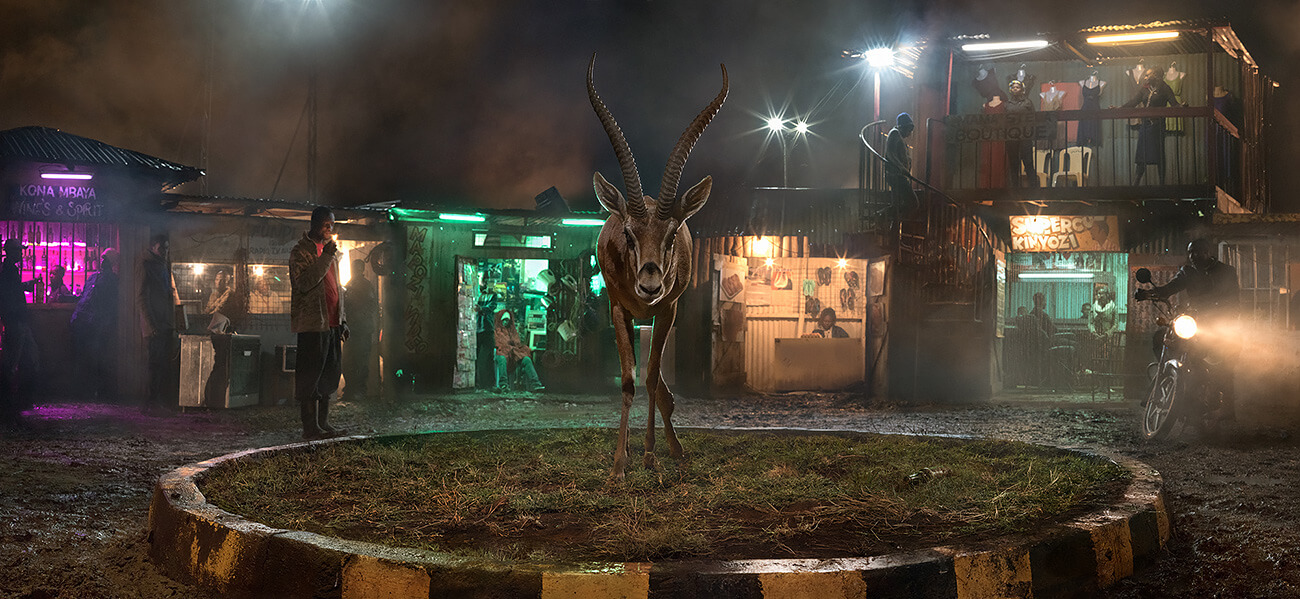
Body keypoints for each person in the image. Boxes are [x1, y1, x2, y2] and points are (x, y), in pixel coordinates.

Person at [1136, 239, 1239, 419]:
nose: (1193, 256)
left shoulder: (1226, 271)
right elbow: (1168, 289)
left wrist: (1226, 314)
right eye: (1191, 252)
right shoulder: (1188, 272)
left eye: (1198, 252)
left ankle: (1228, 407)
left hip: (1219, 323)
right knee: (1162, 336)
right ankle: (1168, 376)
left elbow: (1234, 300)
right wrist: (1148, 294)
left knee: (1225, 361)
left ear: (1208, 252)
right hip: (1195, 320)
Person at [290, 206, 349, 439]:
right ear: (315, 225)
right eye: (327, 225)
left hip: (332, 324)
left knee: (329, 374)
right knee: (310, 376)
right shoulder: (300, 252)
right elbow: (304, 283)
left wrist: (343, 320)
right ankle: (310, 428)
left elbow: (338, 288)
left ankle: (323, 424)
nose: (330, 229)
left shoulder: (330, 253)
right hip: (313, 324)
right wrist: (326, 256)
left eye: (332, 225)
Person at [139, 234, 181, 415]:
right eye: (162, 248)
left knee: (161, 365)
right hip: (157, 326)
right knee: (155, 365)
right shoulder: (147, 266)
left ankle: (156, 403)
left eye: (166, 248)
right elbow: (142, 298)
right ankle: (151, 403)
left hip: (163, 324)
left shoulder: (161, 267)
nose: (165, 251)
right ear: (153, 247)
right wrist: (151, 325)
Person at [71, 248, 120, 401]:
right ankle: (85, 392)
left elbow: (110, 305)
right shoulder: (93, 277)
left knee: (95, 359)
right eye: (102, 258)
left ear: (111, 263)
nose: (102, 261)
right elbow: (84, 297)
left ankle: (94, 393)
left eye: (106, 259)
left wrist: (106, 324)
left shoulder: (111, 280)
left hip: (94, 325)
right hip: (82, 322)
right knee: (84, 358)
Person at [0, 239, 38, 427]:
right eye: (19, 251)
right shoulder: (8, 270)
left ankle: (15, 402)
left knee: (20, 359)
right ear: (12, 252)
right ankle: (11, 404)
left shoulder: (7, 269)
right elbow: (10, 294)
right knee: (14, 362)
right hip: (16, 320)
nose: (21, 254)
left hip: (15, 319)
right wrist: (26, 286)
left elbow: (9, 292)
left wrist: (24, 286)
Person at [1122, 68, 1180, 185]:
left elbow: (1174, 104)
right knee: (1141, 154)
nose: (1145, 77)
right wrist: (1119, 109)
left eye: (1147, 75)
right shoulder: (1145, 88)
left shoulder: (1165, 88)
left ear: (1155, 75)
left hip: (1157, 127)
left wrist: (1182, 107)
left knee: (1159, 153)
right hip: (1145, 126)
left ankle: (1161, 184)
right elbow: (1134, 101)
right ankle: (1136, 183)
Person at [343, 258, 378, 401]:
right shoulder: (351, 284)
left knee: (359, 361)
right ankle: (351, 390)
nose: (355, 270)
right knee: (349, 361)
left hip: (361, 329)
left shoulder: (364, 285)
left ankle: (358, 390)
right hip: (353, 329)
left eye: (357, 268)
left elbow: (370, 306)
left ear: (361, 269)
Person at [493, 309, 543, 392]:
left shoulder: (512, 331)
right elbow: (499, 343)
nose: (505, 322)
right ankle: (503, 385)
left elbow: (517, 342)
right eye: (504, 320)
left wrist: (514, 348)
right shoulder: (496, 331)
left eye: (507, 320)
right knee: (502, 359)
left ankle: (535, 384)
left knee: (526, 359)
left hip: (514, 354)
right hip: (503, 352)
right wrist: (510, 347)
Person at [1004, 80, 1039, 188]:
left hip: (1025, 135)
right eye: (1013, 87)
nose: (1015, 89)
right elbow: (1003, 120)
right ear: (1010, 90)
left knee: (1028, 161)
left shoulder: (1027, 103)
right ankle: (1015, 188)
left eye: (1017, 87)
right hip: (1012, 137)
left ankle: (1032, 188)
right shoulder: (1007, 104)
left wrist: (1030, 131)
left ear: (1022, 89)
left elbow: (1033, 118)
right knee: (1014, 163)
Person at [884, 112, 918, 215]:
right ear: (903, 126)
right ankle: (882, 215)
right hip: (897, 176)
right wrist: (901, 168)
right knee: (913, 203)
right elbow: (890, 153)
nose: (909, 133)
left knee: (896, 206)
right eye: (909, 130)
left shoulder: (899, 136)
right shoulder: (894, 133)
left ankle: (891, 225)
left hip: (899, 175)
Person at [1025, 292, 1055, 387]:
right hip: (1045, 344)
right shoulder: (1042, 315)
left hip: (1038, 345)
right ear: (1041, 302)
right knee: (1073, 344)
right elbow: (1053, 329)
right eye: (1045, 301)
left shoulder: (1032, 313)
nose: (1046, 303)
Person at [205, 269, 234, 334]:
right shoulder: (213, 294)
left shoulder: (230, 294)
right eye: (217, 279)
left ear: (227, 282)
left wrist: (208, 314)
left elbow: (220, 309)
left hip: (224, 328)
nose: (218, 282)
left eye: (222, 280)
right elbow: (207, 309)